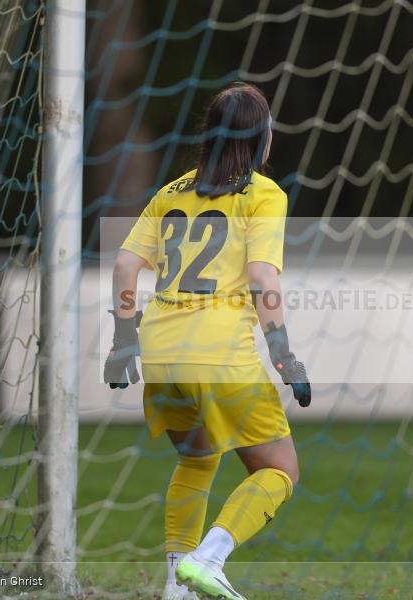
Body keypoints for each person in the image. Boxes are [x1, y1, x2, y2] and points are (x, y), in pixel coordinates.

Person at [104, 82, 311, 600]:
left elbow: (126, 264)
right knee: (281, 469)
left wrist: (122, 343)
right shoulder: (265, 194)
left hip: (161, 352)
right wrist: (284, 356)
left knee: (196, 462)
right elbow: (264, 279)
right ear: (263, 139)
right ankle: (208, 560)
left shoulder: (171, 191)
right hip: (219, 353)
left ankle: (178, 587)